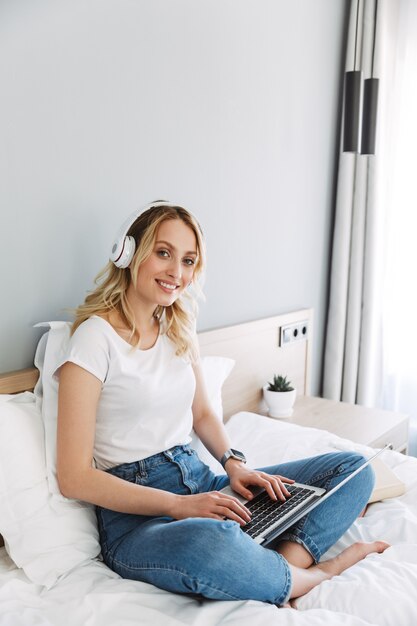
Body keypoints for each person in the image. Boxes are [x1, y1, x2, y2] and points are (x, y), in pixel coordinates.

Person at [56, 201, 388, 606]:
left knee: (353, 469)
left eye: (188, 260)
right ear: (128, 253)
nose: (176, 273)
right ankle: (315, 574)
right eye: (163, 253)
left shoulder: (177, 325)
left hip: (201, 481)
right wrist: (179, 506)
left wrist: (234, 463)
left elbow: (202, 413)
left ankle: (280, 566)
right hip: (138, 521)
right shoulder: (94, 339)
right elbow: (73, 477)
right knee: (211, 543)